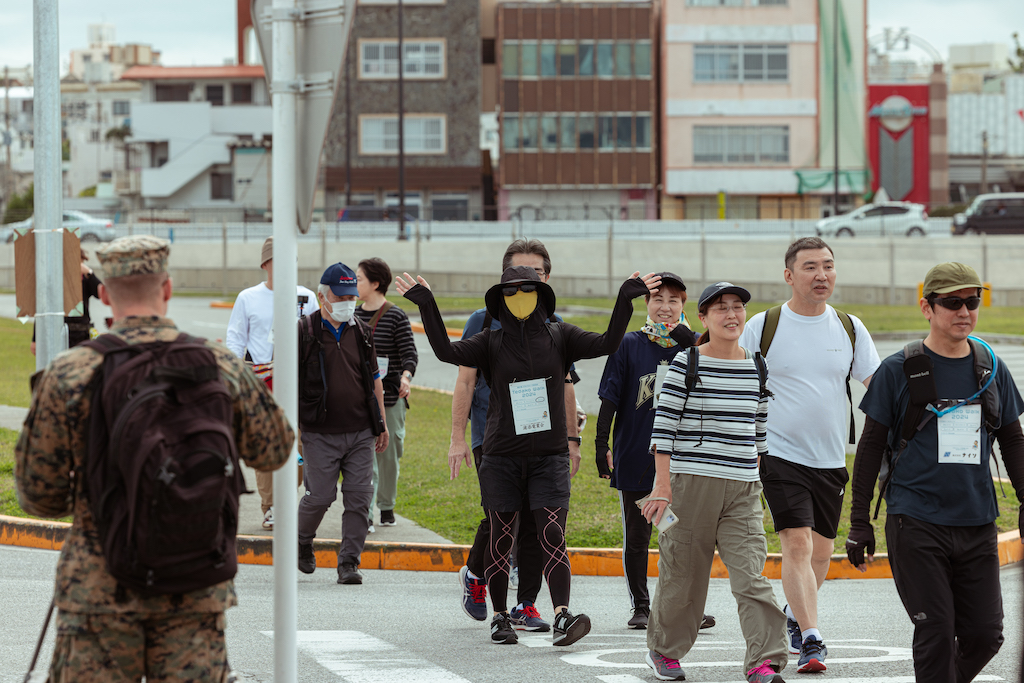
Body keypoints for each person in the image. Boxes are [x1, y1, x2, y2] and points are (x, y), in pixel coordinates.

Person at [15, 235, 294, 682]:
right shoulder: (219, 365)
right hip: (195, 588)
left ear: (105, 296)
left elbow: (38, 496)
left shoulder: (72, 373)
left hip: (100, 589)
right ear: (167, 289)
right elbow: (275, 449)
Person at [398, 265, 659, 646]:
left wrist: (623, 300)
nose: (519, 296)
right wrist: (427, 305)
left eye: (527, 289)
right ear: (499, 299)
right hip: (501, 457)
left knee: (552, 533)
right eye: (510, 291)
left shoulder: (560, 336)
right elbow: (445, 351)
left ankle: (562, 616)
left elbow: (606, 342)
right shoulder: (490, 341)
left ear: (541, 293)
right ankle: (501, 616)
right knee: (502, 536)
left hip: (549, 456)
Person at [846, 262, 1024, 683]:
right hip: (915, 521)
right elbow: (870, 447)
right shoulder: (899, 369)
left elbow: (1013, 440)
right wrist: (858, 522)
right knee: (937, 632)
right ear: (927, 308)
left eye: (972, 301)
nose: (964, 311)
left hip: (977, 520)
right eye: (952, 302)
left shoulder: (992, 367)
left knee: (985, 635)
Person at [738, 237, 880, 672]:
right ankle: (813, 639)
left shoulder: (850, 327)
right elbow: (736, 383)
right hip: (778, 454)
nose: (822, 275)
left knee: (822, 552)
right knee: (796, 544)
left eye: (828, 267)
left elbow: (877, 386)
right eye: (811, 267)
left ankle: (795, 619)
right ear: (789, 275)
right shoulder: (763, 326)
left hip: (831, 459)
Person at [643, 282, 787, 683]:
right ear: (703, 319)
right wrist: (662, 487)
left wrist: (754, 481)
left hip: (743, 489)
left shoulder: (757, 365)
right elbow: (663, 430)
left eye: (737, 307)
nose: (731, 315)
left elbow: (759, 431)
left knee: (751, 578)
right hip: (690, 486)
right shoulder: (685, 364)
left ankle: (764, 662)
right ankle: (664, 651)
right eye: (721, 309)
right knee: (684, 575)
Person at [449, 239, 580, 632]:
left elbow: (568, 384)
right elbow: (464, 379)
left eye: (536, 273)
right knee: (500, 520)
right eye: (517, 274)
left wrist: (571, 438)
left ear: (546, 278)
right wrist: (458, 436)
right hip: (493, 436)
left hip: (543, 438)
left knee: (538, 522)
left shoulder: (553, 328)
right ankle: (477, 577)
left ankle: (526, 604)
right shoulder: (484, 320)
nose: (526, 282)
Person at [596, 271, 717, 631]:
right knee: (638, 535)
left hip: (684, 458)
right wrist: (601, 443)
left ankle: (683, 605)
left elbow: (713, 388)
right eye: (658, 300)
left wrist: (690, 342)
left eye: (674, 301)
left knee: (680, 535)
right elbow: (609, 399)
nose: (665, 307)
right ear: (646, 304)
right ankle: (641, 605)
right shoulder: (628, 344)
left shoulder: (696, 347)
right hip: (637, 456)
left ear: (684, 306)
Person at [297, 261, 388, 585]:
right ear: (323, 297)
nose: (348, 302)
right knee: (319, 497)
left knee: (360, 498)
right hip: (319, 432)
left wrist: (381, 423)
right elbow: (287, 381)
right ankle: (302, 539)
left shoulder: (362, 332)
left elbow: (375, 380)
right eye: (340, 297)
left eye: (351, 295)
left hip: (360, 431)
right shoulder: (304, 331)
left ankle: (349, 562)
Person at [226, 236, 317, 530]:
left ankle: (288, 495)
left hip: (300, 382)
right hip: (262, 382)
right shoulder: (248, 298)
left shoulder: (307, 297)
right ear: (266, 264)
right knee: (265, 444)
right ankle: (271, 506)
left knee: (301, 445)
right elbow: (236, 338)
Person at [354, 257, 418, 530]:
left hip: (390, 399)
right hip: (360, 398)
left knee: (389, 455)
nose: (354, 283)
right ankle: (366, 513)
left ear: (376, 283)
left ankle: (386, 505)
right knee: (364, 456)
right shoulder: (353, 315)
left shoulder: (395, 315)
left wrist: (406, 377)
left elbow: (409, 354)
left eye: (359, 279)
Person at [31, 247, 102, 355]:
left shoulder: (85, 278)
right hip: (59, 333)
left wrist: (89, 273)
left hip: (82, 335)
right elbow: (43, 309)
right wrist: (35, 338)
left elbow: (100, 293)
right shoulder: (55, 279)